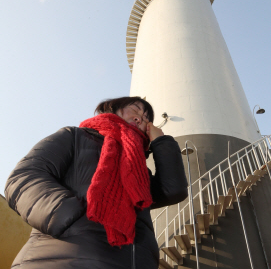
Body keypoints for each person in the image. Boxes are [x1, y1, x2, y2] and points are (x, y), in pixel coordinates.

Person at [5, 96, 188, 269]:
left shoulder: (137, 171)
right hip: (62, 259)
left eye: (146, 118)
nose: (140, 118)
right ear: (112, 108)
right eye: (135, 110)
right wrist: (71, 216)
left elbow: (173, 190)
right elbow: (23, 178)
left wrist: (161, 141)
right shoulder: (75, 136)